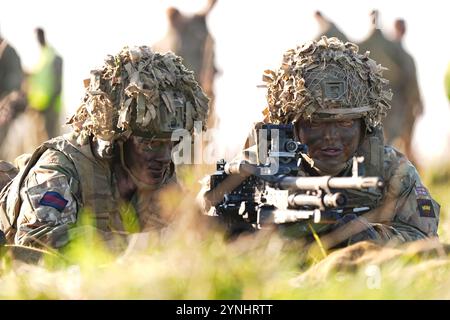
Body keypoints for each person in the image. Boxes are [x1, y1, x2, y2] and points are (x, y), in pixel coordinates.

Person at [204, 37, 439, 249]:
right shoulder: (257, 166)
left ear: (363, 126)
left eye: (345, 124)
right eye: (315, 124)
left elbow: (426, 241)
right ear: (292, 126)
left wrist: (360, 236)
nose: (331, 136)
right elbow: (198, 216)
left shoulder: (393, 173)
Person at [0, 46, 209, 250]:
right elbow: (38, 244)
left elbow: (187, 237)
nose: (164, 157)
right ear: (117, 138)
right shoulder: (60, 168)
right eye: (151, 144)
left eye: (171, 144)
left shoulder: (159, 176)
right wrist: (146, 244)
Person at [153, 0, 218, 128]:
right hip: (180, 94)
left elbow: (206, 10)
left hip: (202, 87)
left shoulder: (194, 23)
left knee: (205, 124)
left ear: (180, 17)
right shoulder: (165, 41)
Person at [27, 27, 63, 139]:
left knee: (51, 138)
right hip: (39, 106)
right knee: (40, 140)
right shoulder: (41, 56)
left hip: (50, 105)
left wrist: (51, 100)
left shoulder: (52, 56)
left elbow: (57, 82)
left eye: (39, 36)